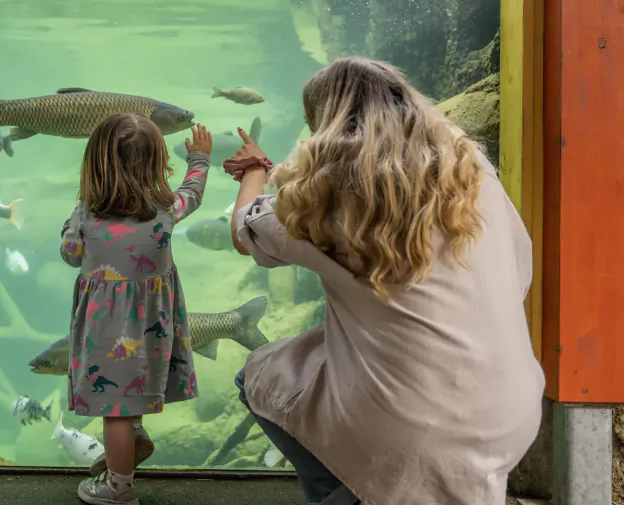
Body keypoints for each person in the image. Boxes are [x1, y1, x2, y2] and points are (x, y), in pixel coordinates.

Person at [226, 57, 545, 505]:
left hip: (412, 429)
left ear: (326, 124)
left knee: (256, 376)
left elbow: (245, 229)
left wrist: (255, 171)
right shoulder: (471, 169)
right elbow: (521, 271)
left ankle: (351, 495)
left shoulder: (324, 192)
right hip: (514, 413)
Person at [60, 113, 213, 505]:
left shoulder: (87, 212)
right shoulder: (166, 210)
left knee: (114, 409)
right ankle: (136, 436)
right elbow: (192, 193)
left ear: (95, 163)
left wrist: (69, 229)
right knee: (133, 389)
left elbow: (71, 255)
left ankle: (118, 489)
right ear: (157, 162)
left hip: (105, 327)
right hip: (153, 324)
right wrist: (199, 160)